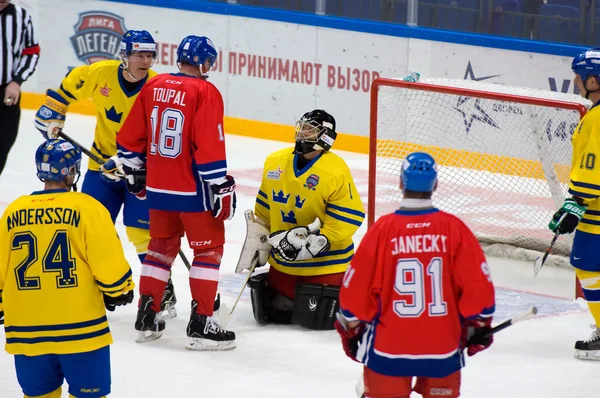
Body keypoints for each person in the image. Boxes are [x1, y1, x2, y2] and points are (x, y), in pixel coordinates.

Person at [100, 35, 237, 350]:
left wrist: (133, 169)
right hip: (193, 189)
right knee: (208, 252)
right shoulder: (206, 91)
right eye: (209, 63)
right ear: (203, 62)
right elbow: (209, 142)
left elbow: (130, 135)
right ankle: (202, 323)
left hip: (158, 188)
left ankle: (147, 318)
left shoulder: (153, 84)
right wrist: (218, 183)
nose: (209, 68)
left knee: (159, 249)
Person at [33, 30, 177, 318]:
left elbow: (164, 138)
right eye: (139, 55)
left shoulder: (157, 88)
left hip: (140, 172)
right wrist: (53, 111)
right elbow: (69, 86)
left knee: (140, 233)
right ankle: (96, 285)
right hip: (101, 167)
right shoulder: (101, 74)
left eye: (150, 55)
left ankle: (161, 289)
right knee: (90, 227)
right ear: (124, 55)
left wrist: (132, 162)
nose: (145, 61)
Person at [335, 152, 495, 398]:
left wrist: (353, 328)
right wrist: (479, 325)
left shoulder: (382, 230)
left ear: (400, 183)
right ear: (436, 184)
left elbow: (353, 298)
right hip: (443, 349)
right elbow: (479, 292)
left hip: (388, 350)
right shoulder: (455, 229)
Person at [0, 139, 135, 398]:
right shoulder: (88, 208)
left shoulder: (12, 212)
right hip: (81, 331)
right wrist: (120, 288)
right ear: (72, 171)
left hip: (26, 333)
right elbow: (108, 262)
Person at [236, 109, 365, 330]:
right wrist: (261, 241)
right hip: (284, 266)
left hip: (327, 267)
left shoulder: (335, 170)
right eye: (302, 128)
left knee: (323, 317)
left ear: (325, 137)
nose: (302, 134)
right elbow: (264, 210)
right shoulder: (275, 162)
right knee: (274, 310)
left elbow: (347, 219)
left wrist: (312, 245)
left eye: (310, 130)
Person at [549, 48, 600, 360]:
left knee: (586, 264)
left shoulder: (596, 119)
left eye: (580, 77)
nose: (575, 81)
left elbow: (593, 167)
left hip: (597, 211)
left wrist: (575, 204)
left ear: (594, 80)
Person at [0, 0, 40, 176]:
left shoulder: (21, 16)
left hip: (6, 92)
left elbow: (32, 52)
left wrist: (16, 81)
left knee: (3, 143)